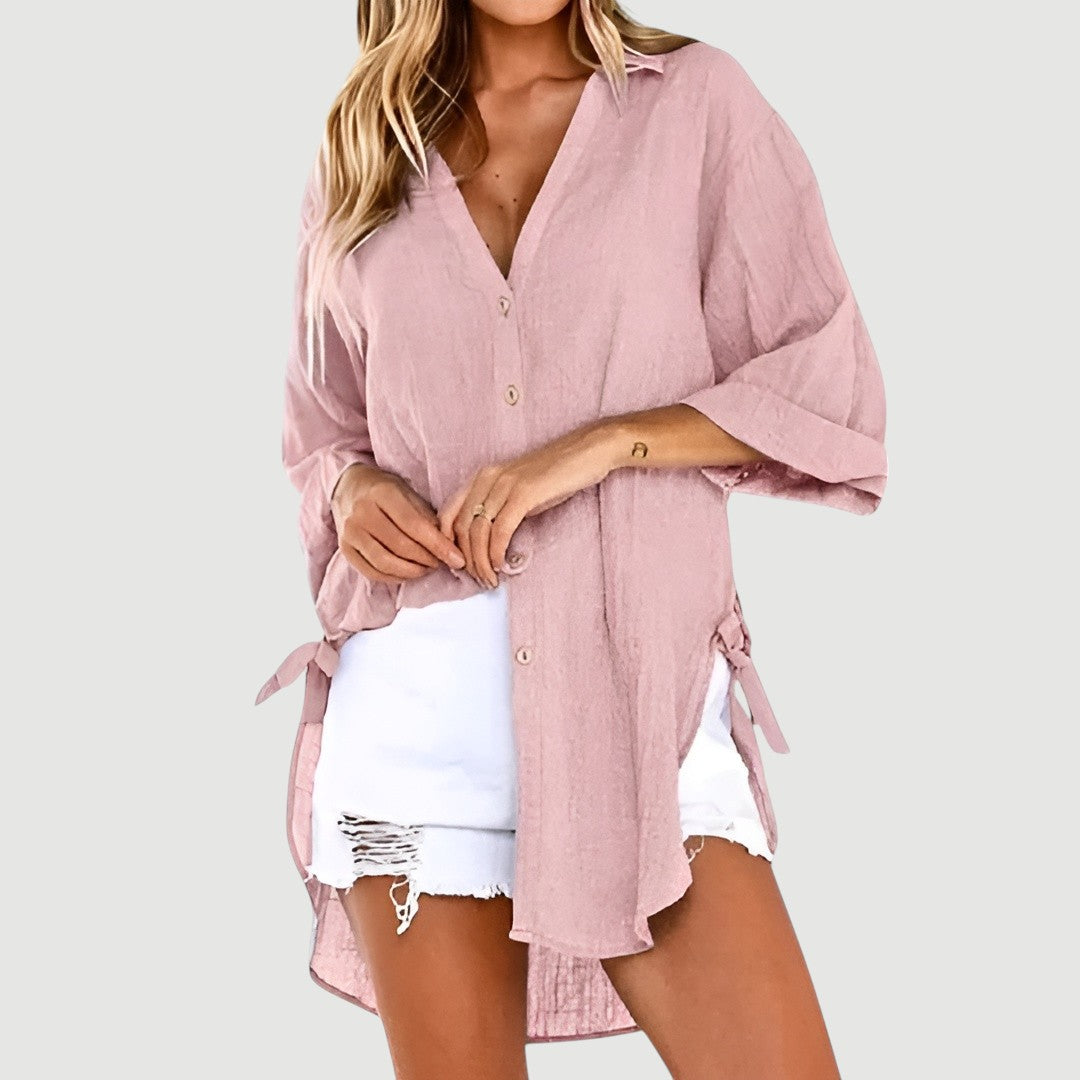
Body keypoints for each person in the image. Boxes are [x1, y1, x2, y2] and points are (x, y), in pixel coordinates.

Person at [256, 2, 888, 1077]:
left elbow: (824, 381)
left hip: (640, 717)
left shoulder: (697, 106)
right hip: (414, 736)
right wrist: (353, 490)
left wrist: (603, 445)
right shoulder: (363, 145)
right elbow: (324, 431)